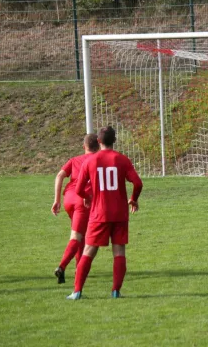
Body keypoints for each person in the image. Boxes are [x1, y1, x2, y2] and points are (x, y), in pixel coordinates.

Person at [66, 126, 143, 300]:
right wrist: (134, 198)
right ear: (114, 141)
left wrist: (86, 196)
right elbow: (138, 183)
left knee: (88, 251)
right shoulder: (122, 160)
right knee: (119, 251)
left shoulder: (90, 161)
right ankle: (116, 291)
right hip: (119, 213)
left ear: (99, 141)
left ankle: (77, 291)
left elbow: (78, 189)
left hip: (98, 213)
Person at [51, 134, 100, 284]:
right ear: (97, 146)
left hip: (69, 199)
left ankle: (78, 269)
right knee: (77, 237)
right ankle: (61, 267)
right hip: (82, 200)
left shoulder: (74, 160)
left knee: (81, 234)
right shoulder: (98, 160)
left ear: (84, 146)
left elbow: (60, 175)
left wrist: (56, 200)